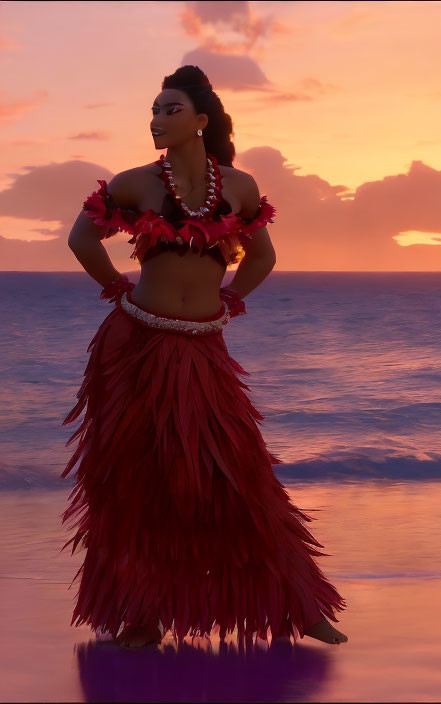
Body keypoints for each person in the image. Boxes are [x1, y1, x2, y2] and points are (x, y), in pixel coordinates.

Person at [61, 65, 348, 649]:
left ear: (201, 121)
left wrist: (231, 301)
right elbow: (81, 238)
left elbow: (262, 257)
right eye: (153, 111)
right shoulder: (136, 182)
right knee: (135, 484)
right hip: (136, 346)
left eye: (169, 110)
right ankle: (142, 618)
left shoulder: (238, 187)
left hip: (202, 351)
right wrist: (115, 284)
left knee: (237, 478)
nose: (156, 120)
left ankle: (298, 605)